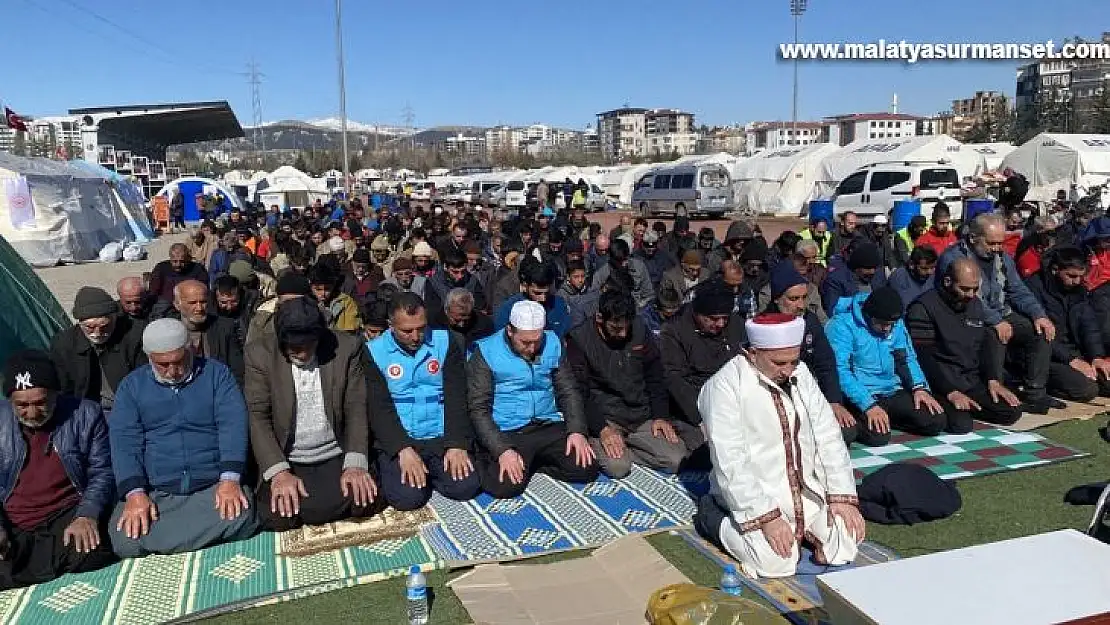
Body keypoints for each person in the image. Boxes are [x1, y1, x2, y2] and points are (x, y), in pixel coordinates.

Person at [694, 313, 864, 579]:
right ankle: (712, 516)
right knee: (776, 563)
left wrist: (841, 496)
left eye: (793, 361)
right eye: (779, 363)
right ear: (752, 354)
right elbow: (731, 461)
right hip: (754, 497)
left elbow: (828, 436)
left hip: (806, 493)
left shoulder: (801, 373)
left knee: (846, 543)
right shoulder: (723, 387)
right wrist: (767, 517)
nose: (787, 370)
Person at [109, 319, 258, 558]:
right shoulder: (131, 387)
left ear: (190, 349)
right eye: (163, 364)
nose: (172, 370)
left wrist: (230, 480)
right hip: (159, 493)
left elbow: (232, 426)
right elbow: (124, 443)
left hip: (212, 487)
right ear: (149, 358)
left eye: (179, 361)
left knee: (241, 517)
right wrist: (136, 494)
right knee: (125, 539)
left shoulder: (216, 375)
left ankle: (175, 541)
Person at [244, 298, 380, 530]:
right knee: (280, 514)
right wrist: (279, 472)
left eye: (309, 345)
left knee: (363, 498)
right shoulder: (259, 354)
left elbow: (356, 406)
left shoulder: (346, 348)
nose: (303, 353)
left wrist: (355, 464)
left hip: (334, 451)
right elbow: (258, 416)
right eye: (295, 348)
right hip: (289, 456)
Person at [0, 351, 117, 589]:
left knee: (91, 551)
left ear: (56, 394)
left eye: (40, 403)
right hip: (14, 522)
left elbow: (102, 471)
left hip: (66, 513)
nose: (32, 413)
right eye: (22, 405)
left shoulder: (85, 414)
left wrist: (87, 514)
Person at [467, 300, 598, 499]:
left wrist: (577, 431)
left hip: (547, 424)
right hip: (509, 429)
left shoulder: (552, 343)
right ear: (510, 331)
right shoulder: (486, 352)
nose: (532, 348)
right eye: (525, 342)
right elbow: (478, 408)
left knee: (586, 467)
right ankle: (500, 458)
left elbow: (568, 390)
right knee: (504, 486)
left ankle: (536, 463)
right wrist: (502, 450)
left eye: (537, 341)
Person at [567, 289, 704, 478]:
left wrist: (660, 416)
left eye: (626, 327)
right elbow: (580, 392)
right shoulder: (580, 339)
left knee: (676, 459)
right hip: (606, 417)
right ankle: (612, 445)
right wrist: (602, 429)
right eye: (615, 328)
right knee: (618, 468)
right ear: (600, 319)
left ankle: (631, 444)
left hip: (640, 413)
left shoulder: (639, 329)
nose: (623, 334)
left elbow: (655, 375)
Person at [937, 213, 1062, 413]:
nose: (997, 248)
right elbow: (969, 298)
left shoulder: (1002, 258)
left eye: (1000, 243)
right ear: (973, 238)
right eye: (991, 243)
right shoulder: (953, 259)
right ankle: (996, 390)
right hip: (966, 315)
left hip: (1000, 310)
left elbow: (1017, 289)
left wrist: (1039, 314)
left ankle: (1035, 393)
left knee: (1039, 331)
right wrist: (995, 320)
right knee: (996, 333)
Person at [366, 293, 481, 509]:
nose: (416, 336)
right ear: (391, 325)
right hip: (403, 437)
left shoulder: (445, 342)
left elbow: (456, 395)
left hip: (439, 434)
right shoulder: (374, 352)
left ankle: (433, 471)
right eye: (407, 331)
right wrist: (402, 449)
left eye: (421, 328)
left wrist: (457, 443)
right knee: (408, 498)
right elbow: (378, 407)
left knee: (465, 487)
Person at [825, 287, 954, 446]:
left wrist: (919, 388)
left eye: (891, 324)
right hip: (859, 394)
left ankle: (886, 417)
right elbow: (840, 370)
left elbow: (906, 358)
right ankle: (868, 419)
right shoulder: (842, 326)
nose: (887, 328)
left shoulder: (896, 324)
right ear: (868, 315)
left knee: (935, 420)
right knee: (878, 437)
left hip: (890, 389)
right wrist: (867, 404)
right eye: (882, 324)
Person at [905, 259, 1023, 427]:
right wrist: (949, 391)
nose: (971, 295)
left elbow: (982, 346)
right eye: (965, 289)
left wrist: (992, 380)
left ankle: (968, 406)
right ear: (947, 282)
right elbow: (922, 357)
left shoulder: (975, 305)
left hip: (970, 380)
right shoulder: (923, 308)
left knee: (1011, 411)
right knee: (961, 424)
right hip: (939, 382)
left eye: (975, 289)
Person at [763, 264, 852, 432]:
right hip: (777, 397)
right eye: (793, 299)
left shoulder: (810, 321)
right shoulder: (764, 327)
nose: (801, 305)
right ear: (777, 298)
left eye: (804, 298)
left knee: (846, 431)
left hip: (810, 392)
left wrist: (834, 401)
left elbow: (826, 363)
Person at [659, 280, 747, 429]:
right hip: (696, 404)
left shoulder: (735, 324)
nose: (720, 324)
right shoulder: (675, 331)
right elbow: (674, 379)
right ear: (697, 313)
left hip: (735, 399)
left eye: (725, 318)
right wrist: (701, 417)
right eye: (713, 319)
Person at [1027, 247, 1110, 401]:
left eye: (1080, 276)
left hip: (1076, 352)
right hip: (1048, 355)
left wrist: (1097, 357)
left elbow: (1089, 326)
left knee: (1105, 377)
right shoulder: (1034, 288)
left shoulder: (1079, 290)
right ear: (1055, 270)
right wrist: (1071, 360)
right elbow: (1040, 334)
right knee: (1086, 389)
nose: (1077, 281)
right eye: (1071, 276)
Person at [50, 286, 146, 411]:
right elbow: (63, 389)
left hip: (127, 407)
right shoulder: (63, 344)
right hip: (83, 410)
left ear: (115, 318)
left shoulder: (134, 335)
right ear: (79, 323)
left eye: (104, 326)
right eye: (89, 327)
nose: (98, 332)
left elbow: (142, 381)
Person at [164, 280, 245, 386]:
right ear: (177, 305)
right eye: (192, 303)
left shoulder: (225, 327)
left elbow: (237, 371)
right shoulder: (166, 331)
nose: (199, 308)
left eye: (203, 302)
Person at [494, 256, 573, 339]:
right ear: (524, 286)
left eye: (546, 293)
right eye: (537, 293)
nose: (543, 298)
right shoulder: (509, 310)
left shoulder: (559, 305)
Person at [820, 242, 887, 317]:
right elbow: (833, 310)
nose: (872, 271)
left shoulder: (878, 275)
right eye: (867, 268)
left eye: (874, 267)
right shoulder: (836, 280)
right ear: (856, 267)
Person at [590, 238, 655, 310]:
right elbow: (592, 298)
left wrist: (641, 305)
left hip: (637, 310)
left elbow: (649, 294)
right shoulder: (602, 273)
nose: (624, 264)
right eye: (619, 261)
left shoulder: (639, 266)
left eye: (625, 259)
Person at [887, 246, 939, 311]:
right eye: (924, 268)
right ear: (912, 264)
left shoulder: (934, 276)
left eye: (932, 267)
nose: (930, 272)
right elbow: (905, 307)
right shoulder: (899, 277)